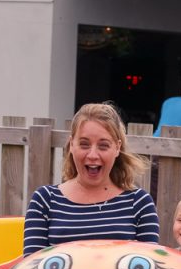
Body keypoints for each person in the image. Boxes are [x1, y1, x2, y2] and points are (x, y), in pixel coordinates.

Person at [23, 102, 159, 256]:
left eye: (103, 146)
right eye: (84, 144)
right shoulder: (45, 200)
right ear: (72, 145)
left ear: (117, 148)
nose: (93, 155)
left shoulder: (140, 203)